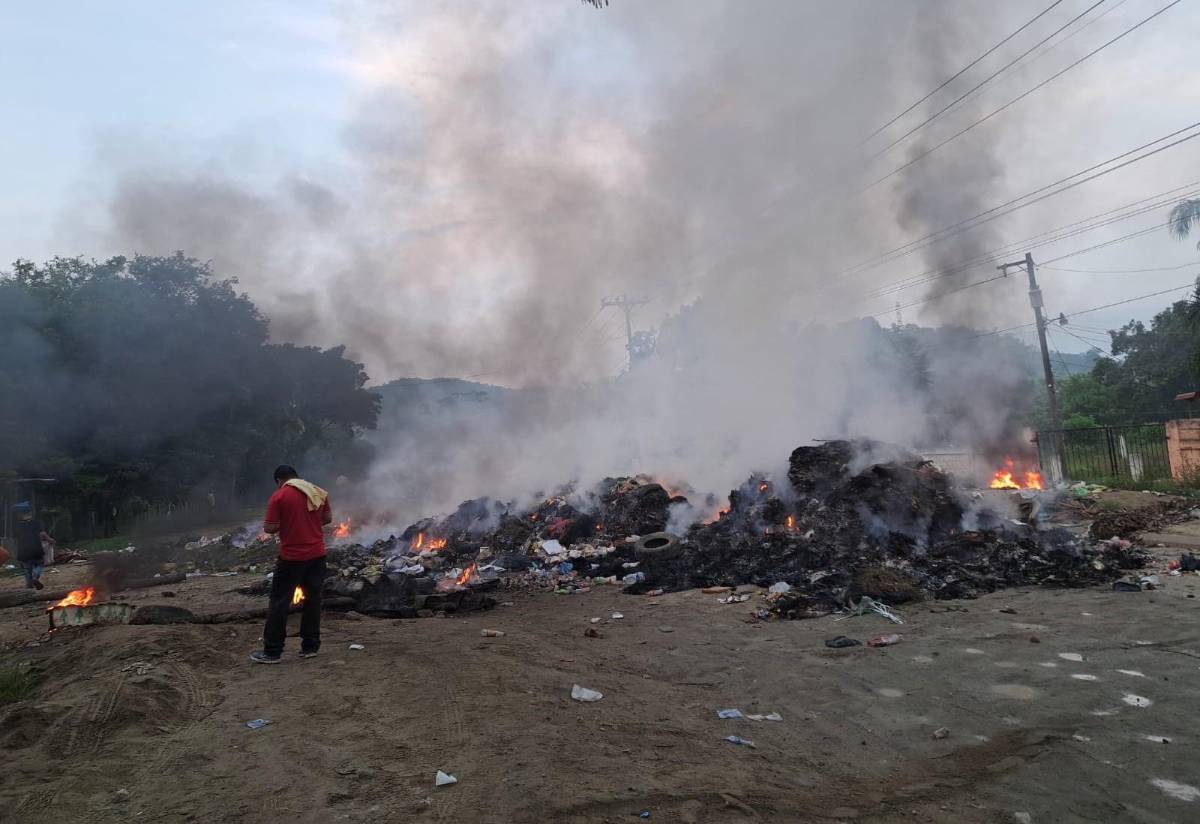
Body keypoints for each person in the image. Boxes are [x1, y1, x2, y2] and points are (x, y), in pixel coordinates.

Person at [250, 465, 332, 664]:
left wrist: (289, 524)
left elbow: (269, 528)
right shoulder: (317, 491)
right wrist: (307, 524)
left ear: (279, 480)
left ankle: (272, 651)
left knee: (279, 602)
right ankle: (310, 646)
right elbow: (327, 519)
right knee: (313, 599)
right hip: (317, 555)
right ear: (296, 476)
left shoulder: (280, 496)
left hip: (292, 558)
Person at [13, 502, 53, 590]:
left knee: (27, 569)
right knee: (40, 564)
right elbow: (42, 534)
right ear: (30, 513)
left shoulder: (17, 525)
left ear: (20, 514)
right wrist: (50, 540)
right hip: (36, 549)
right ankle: (35, 577)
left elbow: (15, 538)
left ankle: (29, 587)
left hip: (23, 551)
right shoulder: (36, 523)